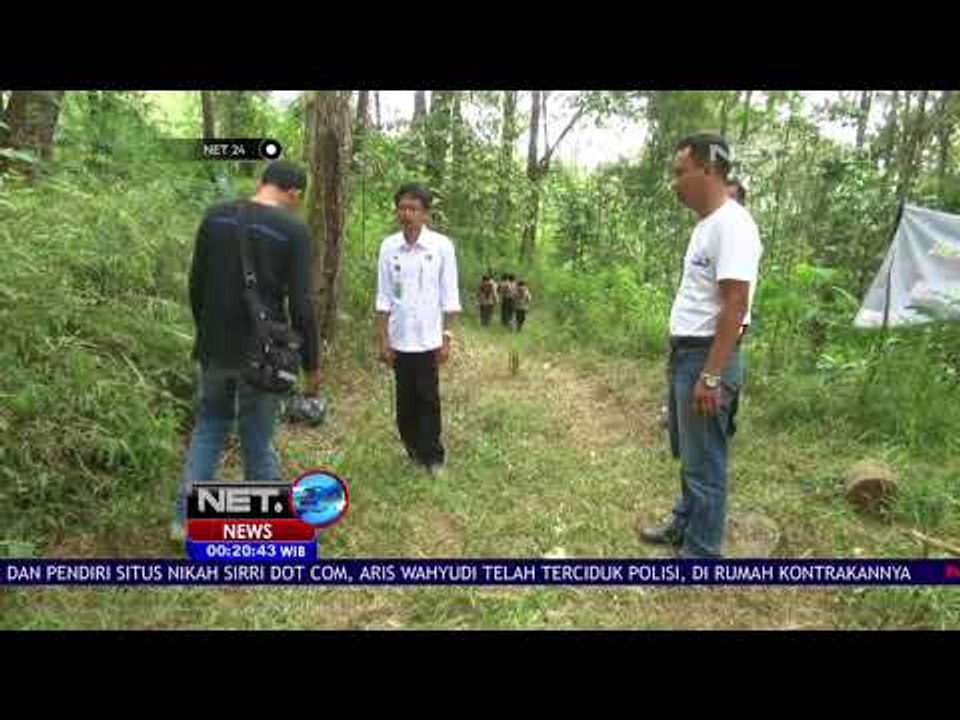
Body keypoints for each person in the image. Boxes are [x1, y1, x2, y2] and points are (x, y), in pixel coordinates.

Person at [171, 160, 320, 541]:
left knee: (210, 427)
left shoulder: (216, 216)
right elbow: (302, 306)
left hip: (214, 346)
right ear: (294, 194)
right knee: (257, 434)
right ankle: (266, 526)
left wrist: (207, 334)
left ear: (262, 182)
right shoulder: (293, 230)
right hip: (263, 354)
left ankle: (183, 523)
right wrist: (311, 363)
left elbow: (196, 283)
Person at [639, 134, 762, 559]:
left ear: (707, 170)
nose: (674, 182)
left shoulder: (733, 224)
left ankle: (702, 553)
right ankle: (685, 522)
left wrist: (711, 374)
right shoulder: (705, 226)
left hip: (707, 357)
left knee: (706, 461)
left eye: (680, 172)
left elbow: (736, 304)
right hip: (687, 354)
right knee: (691, 455)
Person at [375, 183, 461, 475]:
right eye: (402, 207)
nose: (406, 213)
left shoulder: (441, 246)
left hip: (428, 339)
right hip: (400, 338)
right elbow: (384, 295)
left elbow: (450, 295)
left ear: (426, 214)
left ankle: (433, 456)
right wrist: (383, 338)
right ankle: (412, 449)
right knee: (404, 400)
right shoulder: (389, 246)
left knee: (428, 398)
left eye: (413, 208)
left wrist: (447, 337)